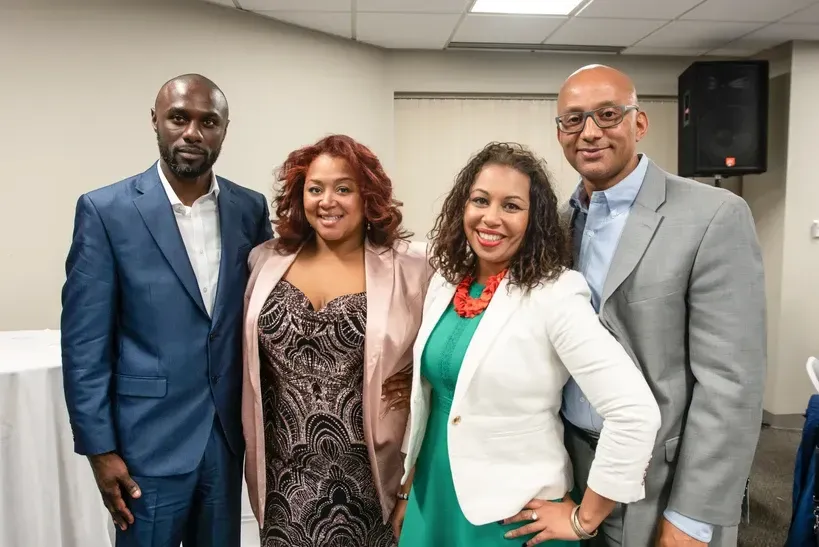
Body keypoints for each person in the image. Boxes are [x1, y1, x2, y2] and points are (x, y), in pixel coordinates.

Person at [396, 142, 662, 547]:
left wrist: (583, 519)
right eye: (480, 200)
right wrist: (408, 484)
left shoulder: (555, 294)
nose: (491, 218)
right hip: (432, 494)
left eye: (511, 206)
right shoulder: (447, 282)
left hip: (512, 513)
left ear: (534, 219)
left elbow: (635, 412)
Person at [555, 64, 766, 547]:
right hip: (569, 468)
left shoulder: (714, 216)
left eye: (608, 115)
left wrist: (693, 517)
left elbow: (731, 384)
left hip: (660, 481)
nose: (590, 132)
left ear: (639, 122)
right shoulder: (560, 220)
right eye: (573, 119)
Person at [60, 73, 273, 547]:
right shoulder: (105, 211)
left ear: (224, 130)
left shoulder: (249, 208)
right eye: (179, 117)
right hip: (144, 445)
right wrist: (100, 450)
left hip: (223, 437)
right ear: (156, 121)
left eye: (208, 121)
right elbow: (84, 344)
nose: (193, 132)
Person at [241, 134, 431, 547]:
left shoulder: (413, 266)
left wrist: (420, 374)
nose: (328, 201)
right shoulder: (264, 260)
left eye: (344, 188)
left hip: (372, 480)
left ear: (369, 197)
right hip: (285, 485)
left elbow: (441, 345)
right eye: (315, 189)